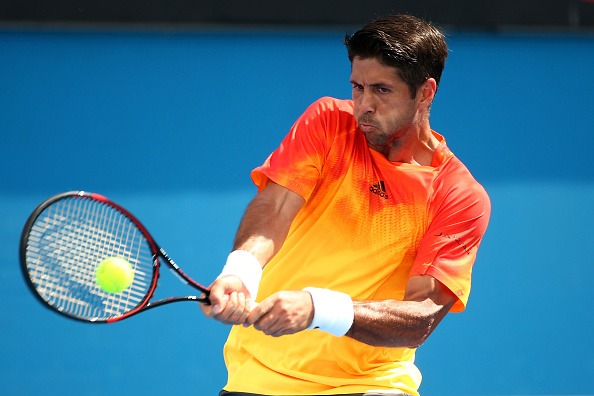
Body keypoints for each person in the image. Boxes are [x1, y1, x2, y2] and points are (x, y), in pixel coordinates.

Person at [200, 14, 491, 396]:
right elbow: (274, 208)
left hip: (372, 385)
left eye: (382, 90)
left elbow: (421, 317)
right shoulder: (328, 122)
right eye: (357, 87)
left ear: (425, 92)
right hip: (257, 379)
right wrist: (240, 272)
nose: (364, 105)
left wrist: (317, 309)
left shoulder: (458, 195)